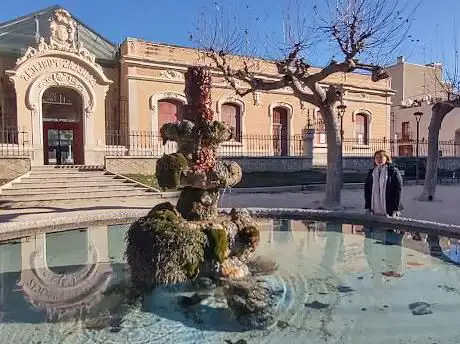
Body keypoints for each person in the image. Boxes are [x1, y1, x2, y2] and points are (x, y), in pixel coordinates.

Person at [365, 150, 403, 217]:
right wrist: (368, 207)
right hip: (375, 209)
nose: (378, 159)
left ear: (386, 158)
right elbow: (367, 191)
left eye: (381, 157)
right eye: (376, 158)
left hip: (390, 208)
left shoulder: (393, 171)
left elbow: (398, 191)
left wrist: (396, 209)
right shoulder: (372, 172)